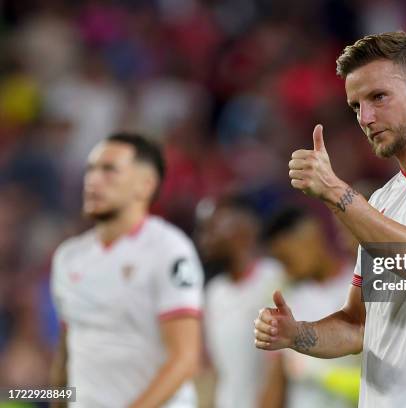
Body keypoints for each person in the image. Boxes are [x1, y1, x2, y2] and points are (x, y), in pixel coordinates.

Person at [254, 31, 406, 407]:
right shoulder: (383, 201)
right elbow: (358, 325)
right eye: (355, 106)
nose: (366, 118)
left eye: (378, 97)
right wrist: (296, 334)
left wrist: (336, 193)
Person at [50, 133, 204, 408]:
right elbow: (67, 352)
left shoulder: (169, 251)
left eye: (109, 170)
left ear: (144, 186)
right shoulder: (68, 257)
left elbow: (185, 359)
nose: (93, 180)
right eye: (90, 169)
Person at [259, 208, 360, 408]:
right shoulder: (288, 301)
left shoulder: (359, 286)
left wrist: (317, 372)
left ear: (310, 235)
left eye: (286, 258)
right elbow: (276, 378)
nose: (285, 269)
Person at [195, 196, 284, 408]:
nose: (203, 240)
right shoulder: (214, 292)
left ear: (242, 228)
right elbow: (217, 369)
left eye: (211, 228)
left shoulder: (271, 278)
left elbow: (279, 364)